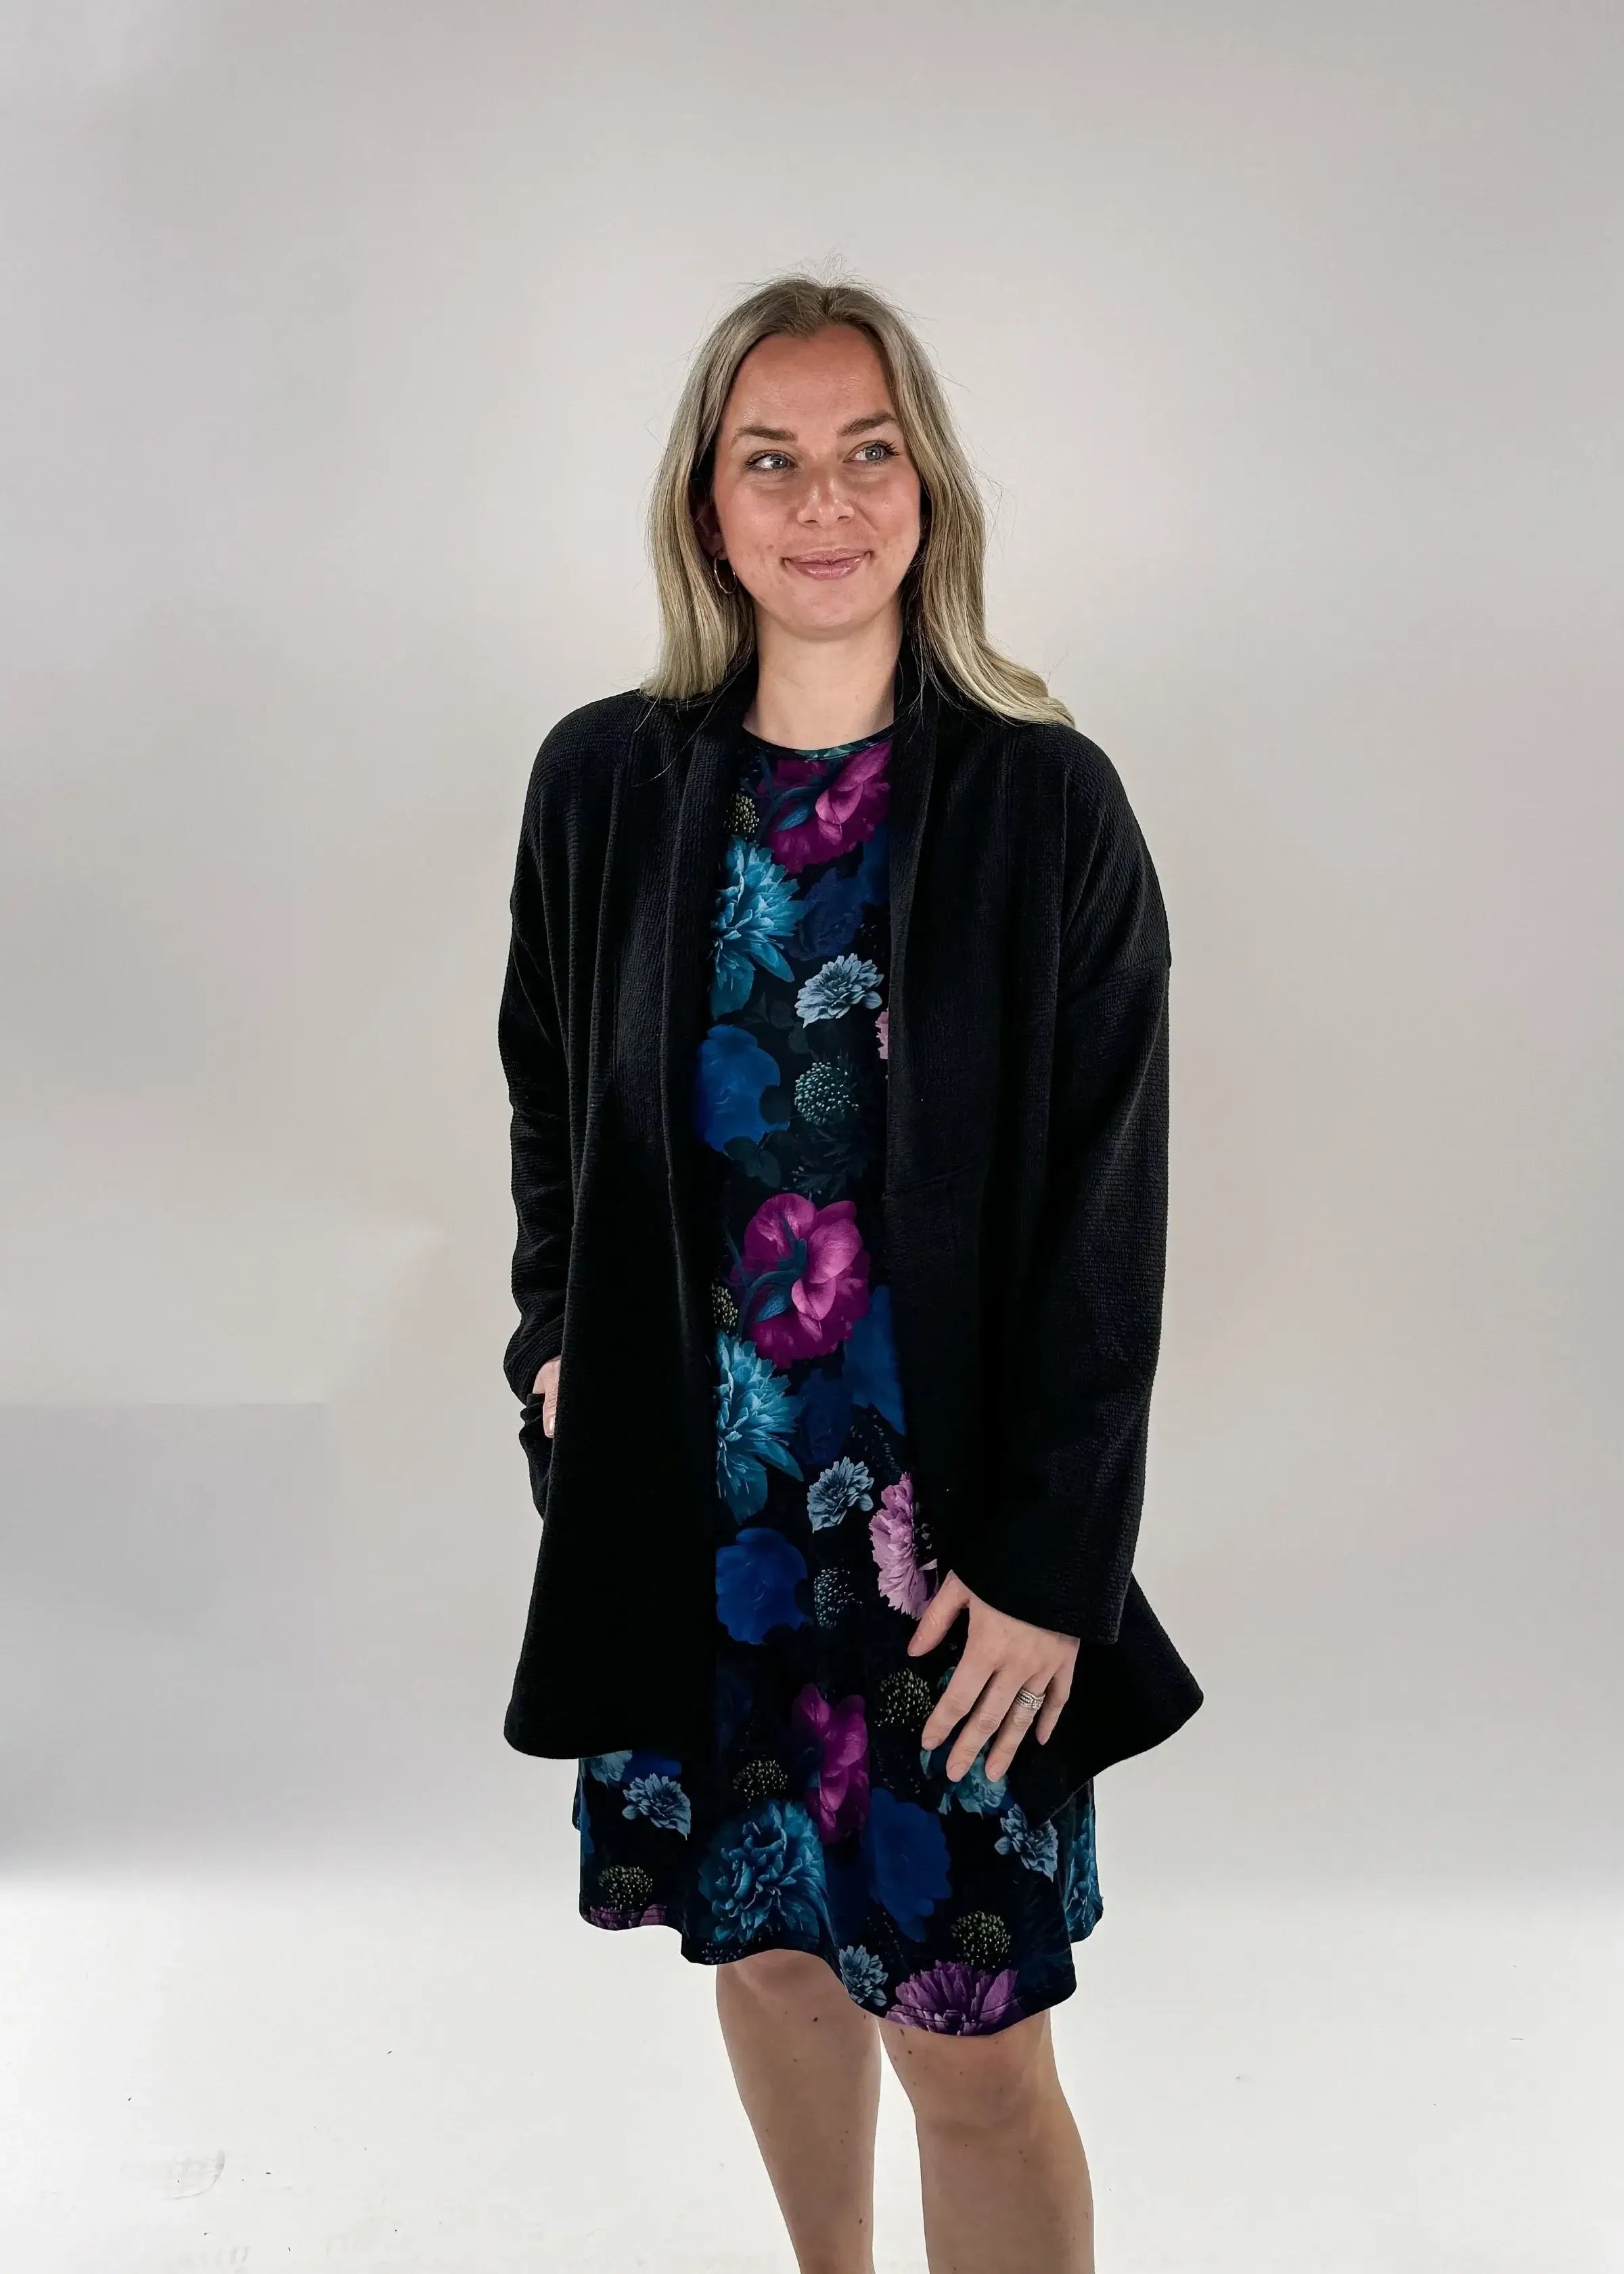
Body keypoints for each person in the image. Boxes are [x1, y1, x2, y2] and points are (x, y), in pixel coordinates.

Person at [497, 271, 1202, 2274]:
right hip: (698, 1516)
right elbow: (549, 1088)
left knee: (974, 2045)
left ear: (929, 487)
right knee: (775, 1956)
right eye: (773, 458)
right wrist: (554, 1338)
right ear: (706, 506)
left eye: (868, 451)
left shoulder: (1046, 805)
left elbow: (1109, 1214)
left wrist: (1054, 1564)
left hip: (951, 1559)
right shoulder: (603, 785)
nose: (826, 500)